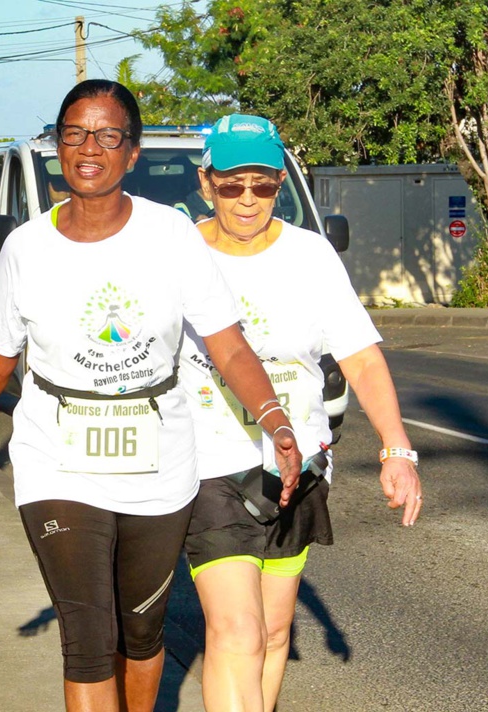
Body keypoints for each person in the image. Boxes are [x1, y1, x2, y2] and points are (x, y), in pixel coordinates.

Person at [0, 82, 304, 712]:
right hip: (57, 460)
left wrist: (275, 420)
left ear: (132, 151)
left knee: (140, 636)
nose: (90, 148)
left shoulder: (170, 236)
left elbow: (228, 345)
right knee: (89, 639)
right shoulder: (26, 247)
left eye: (108, 135)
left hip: (159, 464)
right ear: (58, 147)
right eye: (75, 134)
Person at [178, 113, 423, 712]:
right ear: (206, 184)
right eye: (232, 185)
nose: (247, 199)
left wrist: (397, 450)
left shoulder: (310, 255)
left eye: (262, 185)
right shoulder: (179, 253)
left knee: (273, 634)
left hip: (298, 465)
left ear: (280, 185)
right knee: (236, 631)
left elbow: (360, 358)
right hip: (208, 464)